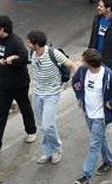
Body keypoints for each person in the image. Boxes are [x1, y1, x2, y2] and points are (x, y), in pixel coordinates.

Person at [72, 49, 112, 184]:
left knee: (94, 144)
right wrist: (79, 96)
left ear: (90, 63)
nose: (81, 62)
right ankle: (109, 161)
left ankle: (86, 176)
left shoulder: (108, 75)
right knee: (101, 137)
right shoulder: (82, 70)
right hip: (88, 113)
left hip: (100, 116)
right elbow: (75, 82)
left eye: (83, 60)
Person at [0, 15, 37, 152]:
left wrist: (13, 59)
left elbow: (25, 58)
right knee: (1, 112)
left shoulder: (16, 42)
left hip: (19, 83)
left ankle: (31, 131)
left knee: (25, 107)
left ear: (3, 29)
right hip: (4, 84)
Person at [26, 30, 77, 165]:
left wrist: (77, 81)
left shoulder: (53, 53)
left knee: (48, 125)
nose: (27, 44)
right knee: (42, 125)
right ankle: (48, 151)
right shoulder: (31, 53)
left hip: (52, 94)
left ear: (36, 44)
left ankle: (56, 149)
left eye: (29, 42)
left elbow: (71, 65)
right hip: (37, 93)